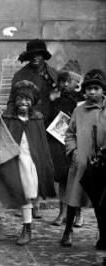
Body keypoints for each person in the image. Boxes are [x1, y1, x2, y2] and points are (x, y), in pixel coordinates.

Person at [0, 81, 56, 245]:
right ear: (15, 100)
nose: (23, 102)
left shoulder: (37, 119)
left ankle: (27, 229)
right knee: (6, 194)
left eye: (27, 99)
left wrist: (44, 166)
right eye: (20, 98)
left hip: (29, 163)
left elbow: (41, 144)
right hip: (10, 162)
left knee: (26, 195)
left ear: (33, 102)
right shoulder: (7, 117)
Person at [11, 39, 58, 219]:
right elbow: (12, 101)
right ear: (28, 57)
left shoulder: (52, 74)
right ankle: (22, 202)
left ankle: (37, 202)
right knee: (23, 163)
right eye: (32, 55)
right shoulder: (20, 75)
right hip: (26, 124)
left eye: (39, 54)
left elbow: (60, 98)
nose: (36, 58)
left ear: (44, 56)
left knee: (42, 163)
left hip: (47, 125)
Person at [61, 69, 106, 249]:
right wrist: (74, 152)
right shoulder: (79, 110)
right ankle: (68, 230)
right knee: (74, 197)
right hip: (82, 161)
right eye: (88, 89)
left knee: (102, 203)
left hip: (103, 164)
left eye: (96, 88)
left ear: (103, 90)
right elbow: (70, 133)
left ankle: (103, 236)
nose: (92, 92)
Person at [48, 60, 84, 226]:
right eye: (62, 81)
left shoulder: (81, 103)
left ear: (77, 83)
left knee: (77, 179)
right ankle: (62, 212)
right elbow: (49, 122)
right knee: (63, 179)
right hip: (59, 146)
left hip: (77, 145)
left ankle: (78, 214)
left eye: (69, 81)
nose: (64, 84)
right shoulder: (56, 102)